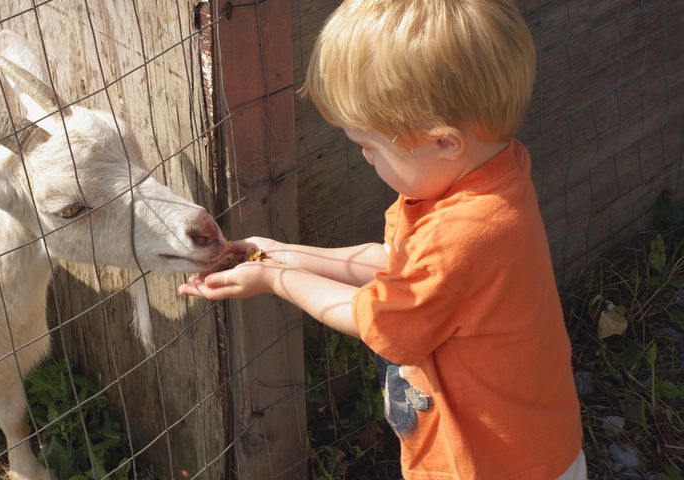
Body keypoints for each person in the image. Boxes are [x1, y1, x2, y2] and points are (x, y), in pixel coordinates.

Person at [179, 0, 586, 478]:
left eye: (371, 147)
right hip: (520, 446)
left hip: (494, 464)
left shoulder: (466, 232)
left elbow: (379, 321)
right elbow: (392, 262)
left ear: (444, 141)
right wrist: (280, 252)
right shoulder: (485, 177)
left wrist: (277, 281)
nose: (367, 160)